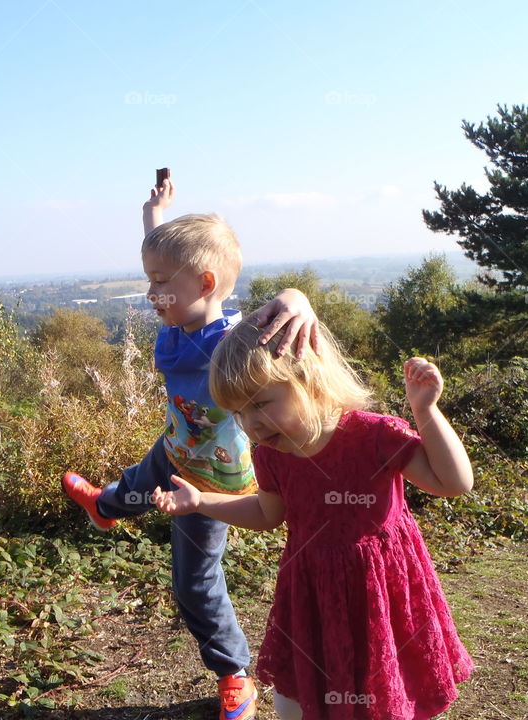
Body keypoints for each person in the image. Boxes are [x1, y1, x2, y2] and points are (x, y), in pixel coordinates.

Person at [63, 176, 318, 720]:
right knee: (130, 485)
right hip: (176, 446)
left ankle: (234, 674)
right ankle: (104, 507)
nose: (151, 294)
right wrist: (155, 216)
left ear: (204, 283)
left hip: (212, 480)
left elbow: (286, 306)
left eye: (160, 285)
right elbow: (168, 259)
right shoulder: (179, 313)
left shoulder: (232, 338)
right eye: (150, 281)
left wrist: (297, 298)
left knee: (194, 585)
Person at [152, 320, 475, 720]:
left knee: (380, 687)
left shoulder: (374, 436)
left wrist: (426, 411)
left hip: (380, 587)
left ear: (308, 379)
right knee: (303, 696)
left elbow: (454, 482)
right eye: (237, 412)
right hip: (312, 593)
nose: (250, 424)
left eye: (260, 403)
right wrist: (202, 500)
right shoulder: (271, 455)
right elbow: (266, 513)